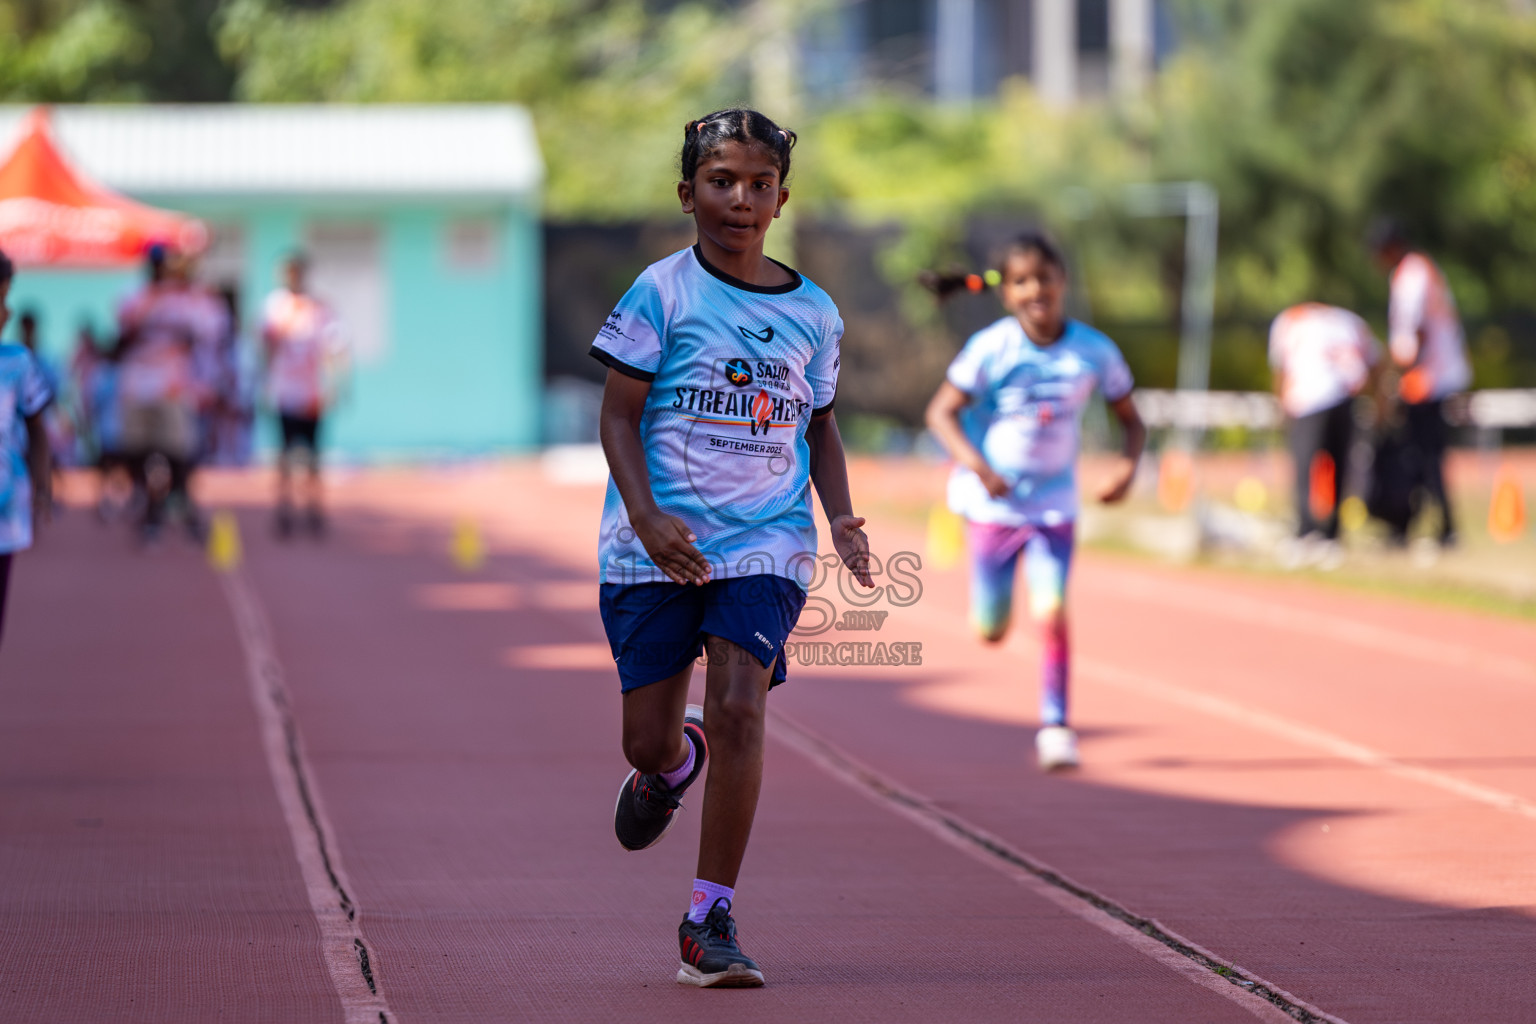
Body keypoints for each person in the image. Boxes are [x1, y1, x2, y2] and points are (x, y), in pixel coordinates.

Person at [591, 108, 871, 988]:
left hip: (768, 541)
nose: (740, 200)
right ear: (687, 194)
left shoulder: (815, 312)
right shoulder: (660, 292)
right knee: (645, 740)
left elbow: (821, 428)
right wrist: (644, 516)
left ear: (782, 199)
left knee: (742, 702)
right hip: (658, 544)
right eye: (721, 182)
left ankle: (708, 918)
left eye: (758, 185)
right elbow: (617, 415)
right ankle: (673, 764)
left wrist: (842, 517)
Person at [924, 231, 1145, 772]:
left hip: (1054, 508)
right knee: (991, 630)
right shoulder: (991, 348)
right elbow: (940, 414)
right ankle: (994, 617)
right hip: (994, 508)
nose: (1036, 290)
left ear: (1062, 282)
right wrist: (979, 468)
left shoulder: (1093, 351)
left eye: (1045, 278)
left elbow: (1132, 422)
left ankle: (1056, 725)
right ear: (1008, 293)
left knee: (1052, 613)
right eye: (1023, 281)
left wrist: (1125, 468)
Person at [1368, 220, 1470, 547]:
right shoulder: (1425, 269)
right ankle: (1425, 526)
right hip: (1438, 375)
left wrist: (1389, 380)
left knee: (1419, 456)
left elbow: (1412, 338)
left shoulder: (1410, 276)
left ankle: (1430, 527)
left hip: (1427, 380)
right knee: (1425, 456)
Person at [1268, 302, 1382, 565]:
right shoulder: (1350, 320)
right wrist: (1375, 398)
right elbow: (1375, 360)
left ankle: (1306, 532)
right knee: (1339, 468)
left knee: (1304, 468)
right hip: (1345, 398)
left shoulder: (1290, 320)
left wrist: (1282, 405)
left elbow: (1281, 367)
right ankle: (1331, 535)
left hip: (1307, 400)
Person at [115, 245, 205, 542]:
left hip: (171, 386)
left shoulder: (181, 302)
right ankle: (150, 506)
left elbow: (194, 339)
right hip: (137, 387)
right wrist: (139, 330)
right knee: (138, 452)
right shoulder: (132, 300)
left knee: (176, 452)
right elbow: (119, 343)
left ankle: (180, 505)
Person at [261, 253, 343, 537]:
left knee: (312, 458)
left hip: (311, 394)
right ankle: (284, 510)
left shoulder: (320, 308)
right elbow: (265, 349)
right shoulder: (274, 307)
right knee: (284, 455)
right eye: (288, 272)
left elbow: (335, 349)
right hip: (285, 392)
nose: (292, 277)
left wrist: (335, 386)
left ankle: (314, 510)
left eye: (296, 272)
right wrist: (263, 384)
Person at [0, 250, 54, 648]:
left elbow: (38, 427)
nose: (7, 312)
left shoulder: (17, 363)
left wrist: (43, 484)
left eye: (7, 298)